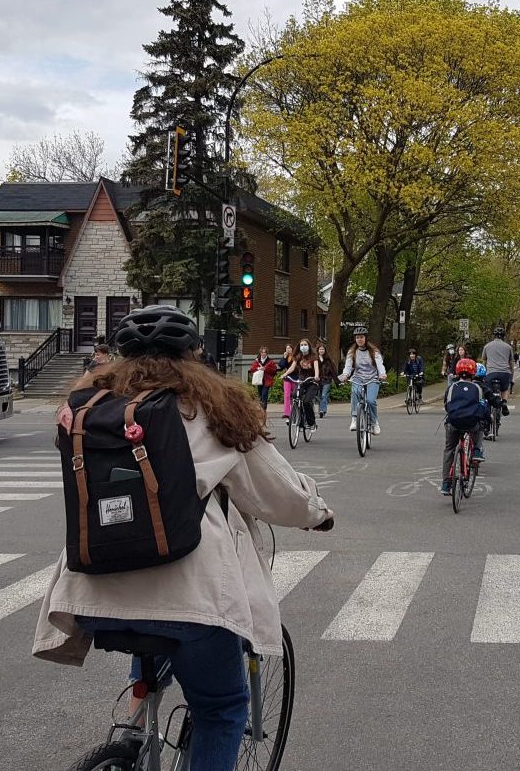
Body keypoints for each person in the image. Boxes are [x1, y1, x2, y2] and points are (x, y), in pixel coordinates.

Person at [32, 305, 335, 771]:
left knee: (149, 624)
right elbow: (277, 492)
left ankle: (134, 724)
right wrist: (317, 514)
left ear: (120, 357)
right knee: (221, 709)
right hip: (189, 599)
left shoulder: (88, 406)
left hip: (92, 593)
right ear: (194, 355)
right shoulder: (214, 409)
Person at [441, 358, 487, 495]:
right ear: (473, 373)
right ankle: (477, 451)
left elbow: (446, 405)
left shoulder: (451, 388)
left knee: (449, 449)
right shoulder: (477, 388)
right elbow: (482, 406)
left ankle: (446, 483)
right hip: (471, 423)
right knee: (479, 428)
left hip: (454, 423)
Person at [338, 326, 387, 435]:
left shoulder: (374, 351)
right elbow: (348, 366)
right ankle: (355, 419)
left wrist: (382, 374)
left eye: (361, 337)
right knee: (355, 393)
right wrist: (345, 375)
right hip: (358, 377)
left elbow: (380, 365)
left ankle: (374, 423)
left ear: (366, 338)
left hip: (372, 378)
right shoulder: (352, 352)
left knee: (370, 401)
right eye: (357, 337)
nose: (359, 339)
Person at [282, 339, 321, 429]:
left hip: (311, 381)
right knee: (296, 396)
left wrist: (316, 376)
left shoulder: (313, 356)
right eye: (301, 345)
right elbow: (292, 367)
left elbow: (316, 367)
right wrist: (285, 374)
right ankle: (301, 422)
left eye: (305, 344)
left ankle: (311, 423)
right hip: (302, 380)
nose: (303, 346)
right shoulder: (298, 356)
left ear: (309, 346)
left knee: (307, 401)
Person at [479, 327, 514, 416]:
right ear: (503, 337)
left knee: (487, 390)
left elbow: (484, 361)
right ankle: (504, 402)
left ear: (494, 336)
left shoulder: (487, 346)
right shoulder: (508, 347)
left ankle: (487, 408)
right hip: (505, 373)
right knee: (505, 389)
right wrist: (511, 377)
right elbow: (511, 364)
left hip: (491, 373)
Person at [316, 342, 337, 418]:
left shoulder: (328, 359)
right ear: (317, 350)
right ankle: (321, 410)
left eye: (323, 349)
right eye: (320, 349)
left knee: (324, 395)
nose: (321, 350)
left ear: (325, 350)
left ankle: (322, 410)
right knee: (319, 396)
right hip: (318, 380)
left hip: (327, 380)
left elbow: (333, 371)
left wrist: (336, 380)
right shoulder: (315, 359)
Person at [278, 344, 294, 421]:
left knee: (295, 395)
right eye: (287, 348)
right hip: (287, 378)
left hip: (295, 378)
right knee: (287, 395)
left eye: (289, 348)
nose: (288, 349)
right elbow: (281, 366)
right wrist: (284, 357)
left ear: (292, 349)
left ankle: (295, 410)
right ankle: (287, 413)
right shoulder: (286, 357)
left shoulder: (295, 357)